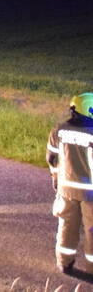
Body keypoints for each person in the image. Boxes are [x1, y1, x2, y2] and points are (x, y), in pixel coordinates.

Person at [47, 92, 93, 274]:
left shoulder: (59, 129)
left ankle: (64, 262)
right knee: (92, 229)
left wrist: (56, 178)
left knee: (66, 225)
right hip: (90, 192)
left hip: (66, 189)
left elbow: (51, 157)